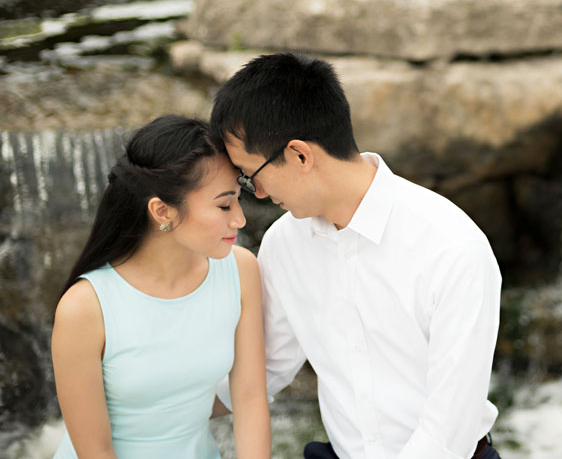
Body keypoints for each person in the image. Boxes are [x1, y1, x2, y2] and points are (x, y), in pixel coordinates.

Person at [210, 53, 503, 459]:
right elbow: (267, 367)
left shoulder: (452, 247)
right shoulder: (284, 244)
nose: (255, 193)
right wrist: (150, 412)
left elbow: (447, 431)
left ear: (299, 155)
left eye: (250, 175)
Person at [50, 115, 271, 459]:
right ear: (162, 211)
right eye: (224, 205)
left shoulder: (241, 270)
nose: (239, 219)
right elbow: (96, 451)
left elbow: (250, 398)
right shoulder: (85, 307)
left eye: (238, 200)